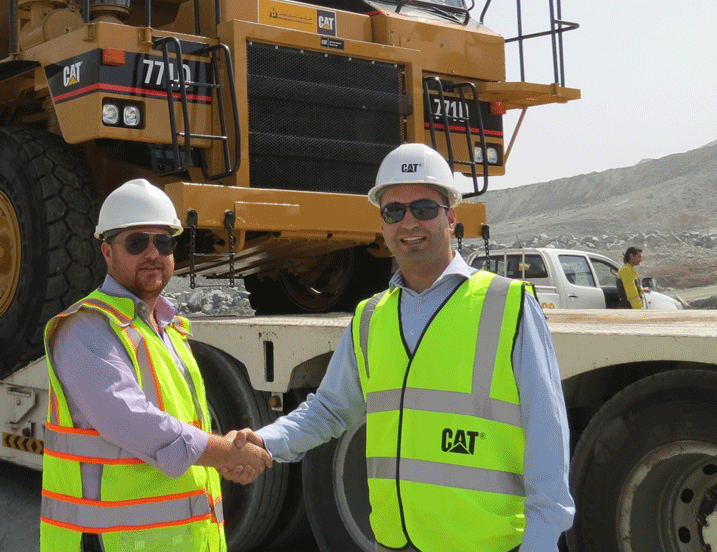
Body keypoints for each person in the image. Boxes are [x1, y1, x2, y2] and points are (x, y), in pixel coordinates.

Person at [232, 143, 575, 552]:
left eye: (424, 208)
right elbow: (329, 409)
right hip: (395, 543)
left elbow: (547, 433)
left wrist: (541, 542)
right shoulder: (370, 317)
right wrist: (266, 442)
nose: (409, 222)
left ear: (451, 218)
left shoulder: (508, 305)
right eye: (394, 211)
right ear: (382, 225)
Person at [40, 178, 272, 552]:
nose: (152, 253)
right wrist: (225, 453)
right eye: (136, 242)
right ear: (107, 252)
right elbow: (129, 420)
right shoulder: (86, 327)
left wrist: (224, 457)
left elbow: (187, 425)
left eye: (163, 242)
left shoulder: (170, 330)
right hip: (113, 542)